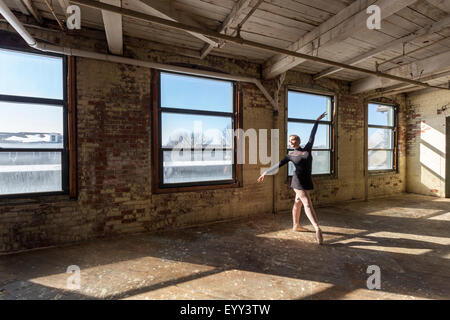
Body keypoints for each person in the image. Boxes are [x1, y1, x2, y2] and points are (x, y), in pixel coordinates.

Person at [257, 112, 327, 245]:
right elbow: (279, 164)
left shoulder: (307, 149)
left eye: (293, 139)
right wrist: (265, 172)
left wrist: (317, 121)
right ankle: (317, 228)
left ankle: (295, 225)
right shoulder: (290, 155)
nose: (291, 142)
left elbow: (313, 135)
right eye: (290, 141)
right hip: (297, 181)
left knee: (297, 202)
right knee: (306, 202)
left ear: (298, 141)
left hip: (306, 179)